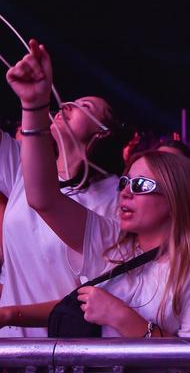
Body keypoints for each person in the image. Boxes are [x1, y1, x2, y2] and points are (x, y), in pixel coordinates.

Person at [4, 40, 190, 336]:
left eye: (142, 184)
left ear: (176, 197)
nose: (126, 192)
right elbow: (43, 200)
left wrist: (123, 318)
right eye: (125, 182)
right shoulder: (112, 239)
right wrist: (33, 105)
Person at [0, 44, 127, 337]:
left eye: (86, 107)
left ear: (102, 132)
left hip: (64, 346)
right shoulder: (21, 168)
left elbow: (100, 295)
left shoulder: (116, 198)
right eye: (70, 101)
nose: (68, 105)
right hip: (8, 343)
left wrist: (10, 314)